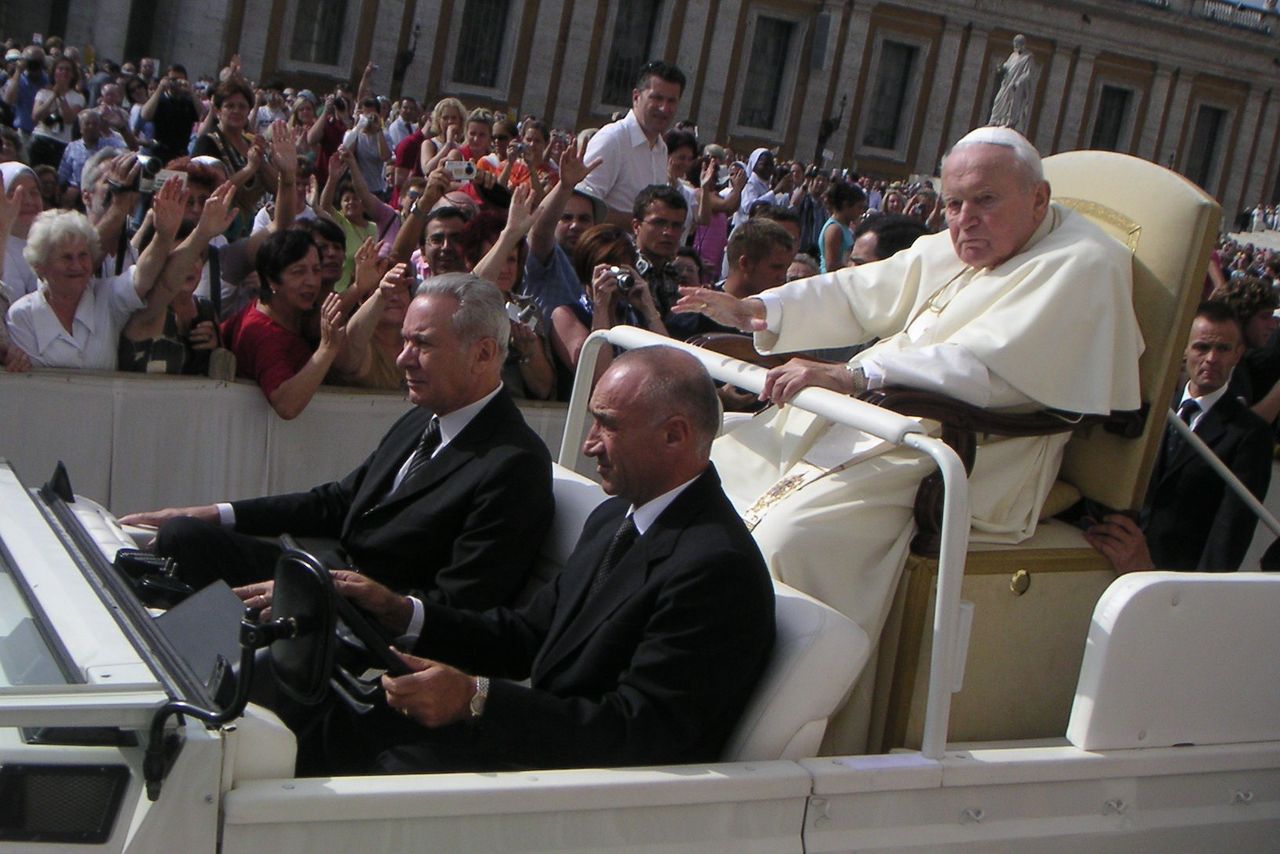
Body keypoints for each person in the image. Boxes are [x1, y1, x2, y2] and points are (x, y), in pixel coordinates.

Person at [673, 126, 1143, 751]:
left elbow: (986, 370)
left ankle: (771, 733)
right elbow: (868, 288)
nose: (963, 219)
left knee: (798, 535)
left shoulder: (1085, 263)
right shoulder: (974, 240)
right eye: (952, 203)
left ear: (1038, 199)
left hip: (978, 451)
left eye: (983, 201)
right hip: (891, 415)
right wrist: (760, 310)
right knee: (726, 469)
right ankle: (681, 668)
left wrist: (855, 372)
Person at [323, 346, 774, 774]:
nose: (589, 445)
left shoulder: (716, 568)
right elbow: (527, 636)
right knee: (329, 712)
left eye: (607, 425)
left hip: (578, 788)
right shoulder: (615, 517)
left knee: (367, 758)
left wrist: (475, 699)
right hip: (543, 745)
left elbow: (641, 731)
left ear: (674, 434)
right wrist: (401, 612)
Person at [120, 274, 554, 611]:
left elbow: (456, 607)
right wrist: (217, 514)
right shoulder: (423, 419)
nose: (403, 359)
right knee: (183, 536)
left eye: (421, 344)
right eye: (404, 341)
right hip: (324, 578)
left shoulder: (513, 465)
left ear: (481, 354)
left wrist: (322, 597)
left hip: (357, 623)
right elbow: (337, 502)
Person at [1097, 302, 1271, 572]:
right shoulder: (1150, 411)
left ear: (1238, 354)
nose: (1211, 359)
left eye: (1223, 349)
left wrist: (1177, 590)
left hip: (1174, 584)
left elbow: (1229, 536)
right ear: (1184, 349)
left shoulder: (1249, 434)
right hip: (1109, 565)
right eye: (1202, 347)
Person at [6, 181, 184, 369]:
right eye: (66, 257)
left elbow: (143, 277)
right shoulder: (22, 316)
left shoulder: (106, 297)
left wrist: (164, 235)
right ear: (41, 266)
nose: (77, 265)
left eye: (83, 255)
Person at [578, 61, 685, 226]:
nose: (664, 108)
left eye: (671, 101)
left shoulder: (661, 148)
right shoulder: (613, 139)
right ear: (636, 97)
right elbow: (582, 205)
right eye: (657, 98)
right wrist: (641, 224)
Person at [989, 34, 1037, 135]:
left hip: (1016, 86)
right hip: (1006, 83)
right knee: (998, 100)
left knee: (1013, 104)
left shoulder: (1028, 57)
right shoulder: (1013, 55)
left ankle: (1010, 122)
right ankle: (995, 119)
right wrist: (1002, 68)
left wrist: (1019, 82)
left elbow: (1028, 73)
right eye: (1015, 44)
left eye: (1017, 44)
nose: (1015, 46)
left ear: (1022, 44)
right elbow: (1007, 65)